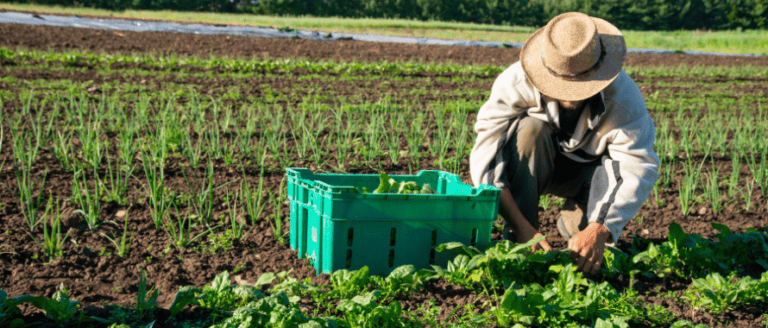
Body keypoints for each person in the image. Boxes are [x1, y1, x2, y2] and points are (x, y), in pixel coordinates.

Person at [469, 12, 660, 275]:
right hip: (535, 163)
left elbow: (636, 165)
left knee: (585, 254)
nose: (570, 96)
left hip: (588, 175)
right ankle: (520, 237)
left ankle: (576, 222)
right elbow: (487, 159)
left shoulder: (624, 98)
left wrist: (599, 229)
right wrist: (523, 228)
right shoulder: (515, 82)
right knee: (528, 130)